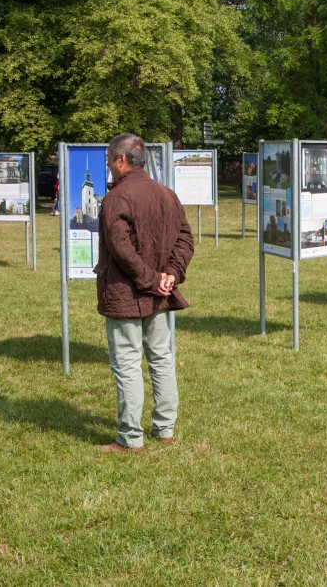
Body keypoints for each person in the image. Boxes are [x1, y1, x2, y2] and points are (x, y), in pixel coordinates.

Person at [95, 134, 195, 453]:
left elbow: (122, 250)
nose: (110, 166)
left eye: (111, 160)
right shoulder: (167, 194)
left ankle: (130, 437)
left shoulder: (117, 198)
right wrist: (168, 276)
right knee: (162, 359)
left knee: (128, 362)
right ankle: (164, 429)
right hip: (158, 293)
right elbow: (185, 240)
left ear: (121, 161)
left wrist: (161, 277)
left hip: (129, 293)